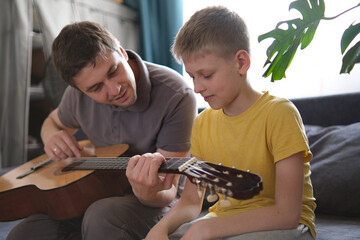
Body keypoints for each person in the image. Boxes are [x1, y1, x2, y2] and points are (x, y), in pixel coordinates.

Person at [7, 21, 196, 240]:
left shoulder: (176, 94)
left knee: (101, 217)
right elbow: (52, 121)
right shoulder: (75, 97)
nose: (115, 89)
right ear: (79, 91)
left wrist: (148, 190)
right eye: (96, 88)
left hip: (159, 199)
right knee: (25, 233)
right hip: (98, 190)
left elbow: (167, 192)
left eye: (113, 71)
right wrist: (51, 136)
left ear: (123, 53)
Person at [144, 6, 316, 240]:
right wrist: (160, 229)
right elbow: (191, 202)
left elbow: (287, 214)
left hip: (287, 226)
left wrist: (204, 229)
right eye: (192, 76)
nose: (197, 87)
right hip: (223, 221)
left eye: (206, 75)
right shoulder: (202, 123)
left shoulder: (279, 113)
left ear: (241, 63)